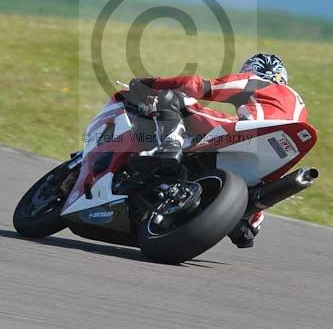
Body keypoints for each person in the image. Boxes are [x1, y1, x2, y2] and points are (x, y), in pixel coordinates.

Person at [127, 53, 307, 248]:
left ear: (253, 69)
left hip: (248, 132)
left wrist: (152, 84)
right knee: (259, 187)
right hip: (275, 156)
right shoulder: (300, 105)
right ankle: (251, 217)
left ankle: (169, 147)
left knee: (174, 97)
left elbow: (197, 86)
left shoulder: (255, 81)